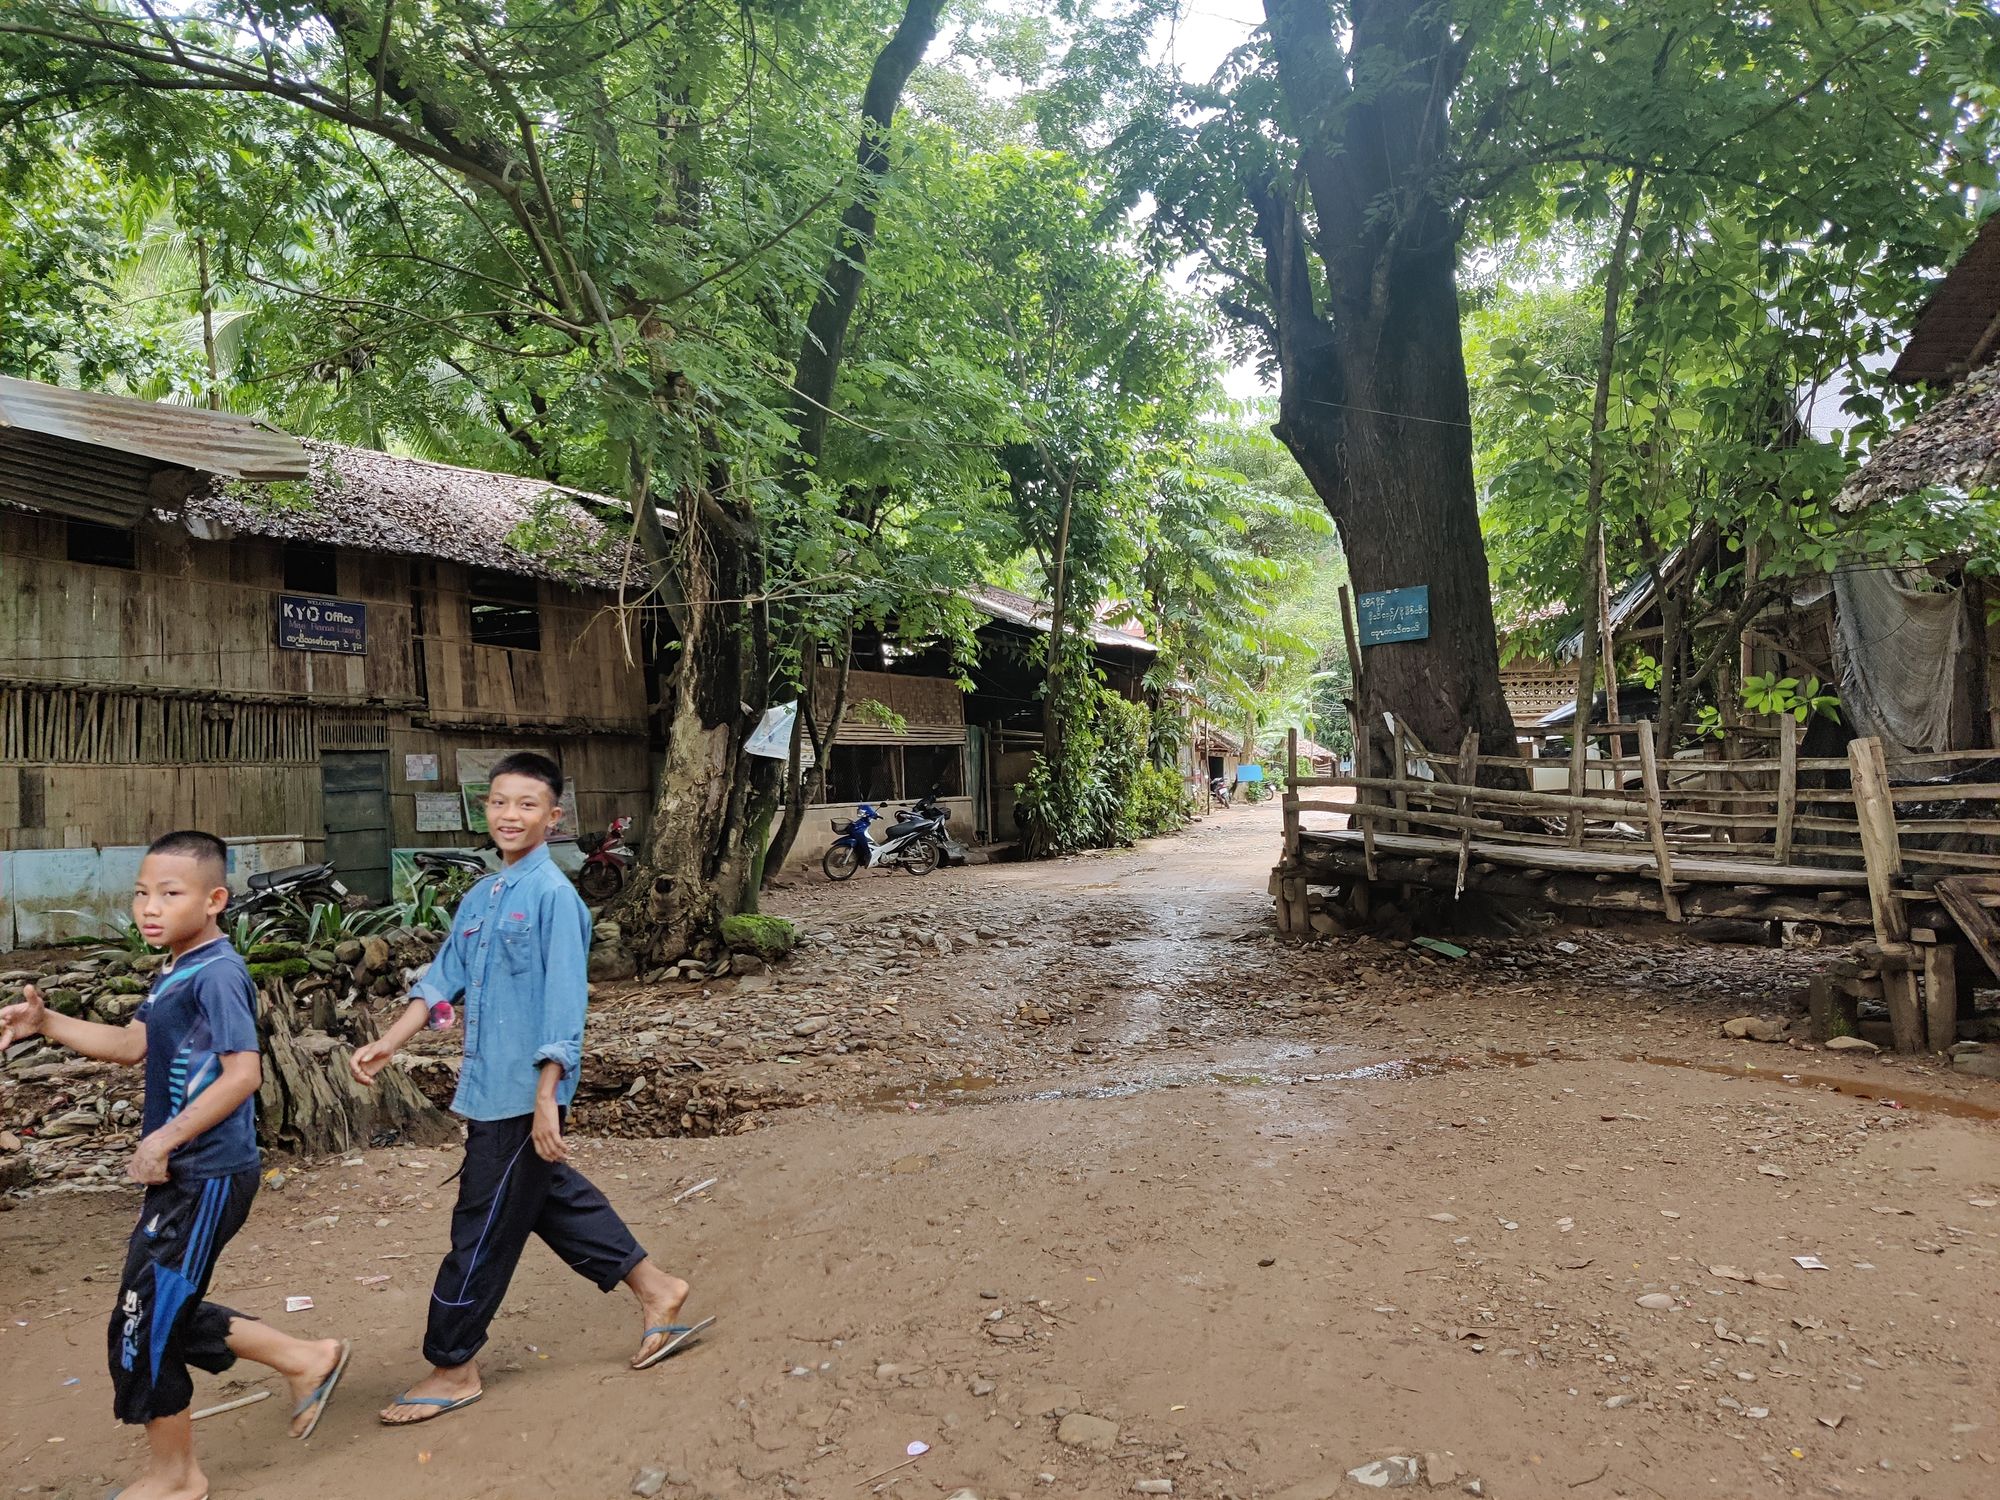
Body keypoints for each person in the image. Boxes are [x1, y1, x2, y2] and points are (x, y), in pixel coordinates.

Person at [350, 751, 707, 1426]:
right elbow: (439, 981)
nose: (509, 816)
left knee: (479, 1226)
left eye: (525, 805)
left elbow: (564, 1007)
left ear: (553, 816)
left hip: (524, 1092)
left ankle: (452, 1363)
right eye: (498, 803)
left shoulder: (554, 899)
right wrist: (389, 1042)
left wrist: (549, 1096)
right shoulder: (482, 897)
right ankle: (659, 1291)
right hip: (489, 1088)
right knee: (547, 1200)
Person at [0, 830, 351, 1500]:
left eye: (170, 893)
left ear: (215, 899)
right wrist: (49, 1024)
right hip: (188, 1175)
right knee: (159, 1307)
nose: (148, 907)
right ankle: (307, 1358)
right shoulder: (176, 969)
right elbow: (132, 1044)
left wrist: (166, 1139)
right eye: (141, 892)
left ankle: (177, 1477)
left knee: (144, 1317)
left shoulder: (219, 973)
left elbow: (242, 1074)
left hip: (205, 1174)